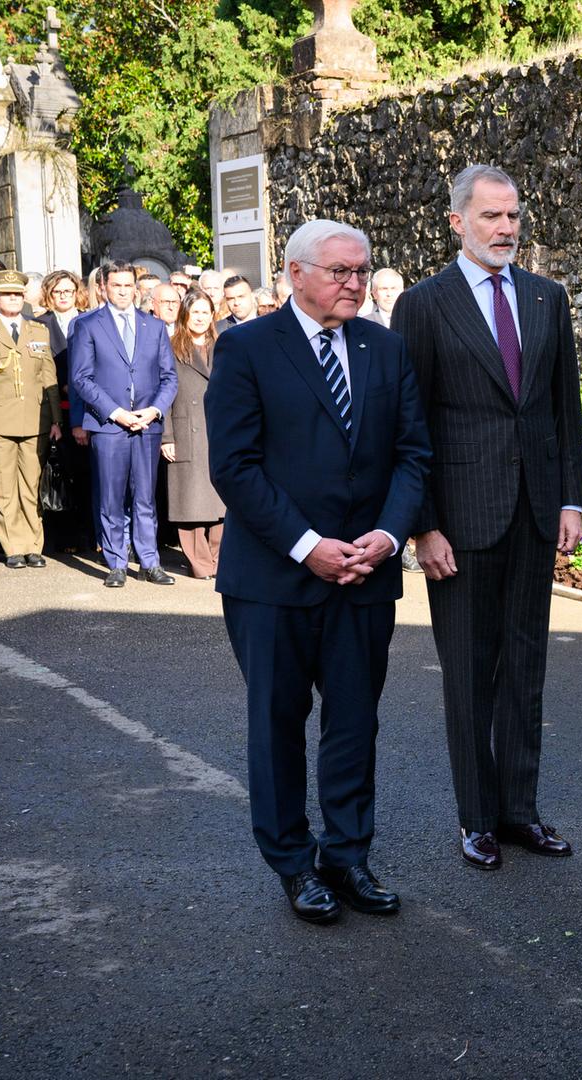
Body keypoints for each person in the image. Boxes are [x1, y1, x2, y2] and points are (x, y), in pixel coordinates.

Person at [205, 218, 431, 924]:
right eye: (340, 271)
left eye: (361, 271)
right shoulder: (246, 347)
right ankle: (294, 865)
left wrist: (387, 536)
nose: (354, 283)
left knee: (354, 723)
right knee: (278, 724)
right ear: (295, 274)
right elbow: (234, 467)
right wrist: (308, 546)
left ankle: (348, 856)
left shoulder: (385, 347)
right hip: (274, 579)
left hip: (366, 573)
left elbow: (412, 454)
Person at [393, 164, 582, 872]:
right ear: (457, 222)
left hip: (535, 513)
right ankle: (476, 818)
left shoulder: (546, 297)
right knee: (471, 675)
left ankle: (519, 811)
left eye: (513, 216)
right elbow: (407, 424)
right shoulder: (423, 305)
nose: (506, 228)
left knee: (525, 670)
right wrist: (424, 526)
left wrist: (571, 499)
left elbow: (564, 408)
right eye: (491, 217)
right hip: (461, 523)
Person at [69, 260, 179, 587]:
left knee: (145, 497)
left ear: (136, 288)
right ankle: (116, 562)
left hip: (147, 425)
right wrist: (115, 412)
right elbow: (81, 378)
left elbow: (169, 378)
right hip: (109, 425)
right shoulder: (88, 325)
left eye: (128, 285)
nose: (122, 291)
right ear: (104, 287)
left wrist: (154, 410)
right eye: (116, 285)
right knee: (111, 497)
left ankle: (149, 561)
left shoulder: (154, 326)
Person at [0, 271, 60, 567]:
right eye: (7, 295)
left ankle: (34, 545)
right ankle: (13, 547)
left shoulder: (39, 331)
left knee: (31, 486)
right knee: (3, 487)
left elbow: (48, 377)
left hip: (35, 420)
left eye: (18, 294)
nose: (13, 299)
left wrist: (56, 420)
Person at [161, 292, 225, 579]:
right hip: (186, 429)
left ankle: (219, 560)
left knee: (221, 500)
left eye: (205, 312)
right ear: (185, 315)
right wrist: (167, 437)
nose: (200, 318)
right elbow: (162, 393)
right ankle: (200, 563)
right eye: (195, 312)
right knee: (190, 501)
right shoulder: (171, 347)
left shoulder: (224, 346)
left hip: (219, 431)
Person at [32, 270, 92, 551]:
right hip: (54, 406)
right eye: (58, 291)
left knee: (84, 473)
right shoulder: (38, 325)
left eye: (68, 291)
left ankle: (87, 535)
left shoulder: (90, 320)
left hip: (86, 405)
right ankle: (59, 537)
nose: (64, 296)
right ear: (49, 294)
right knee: (56, 474)